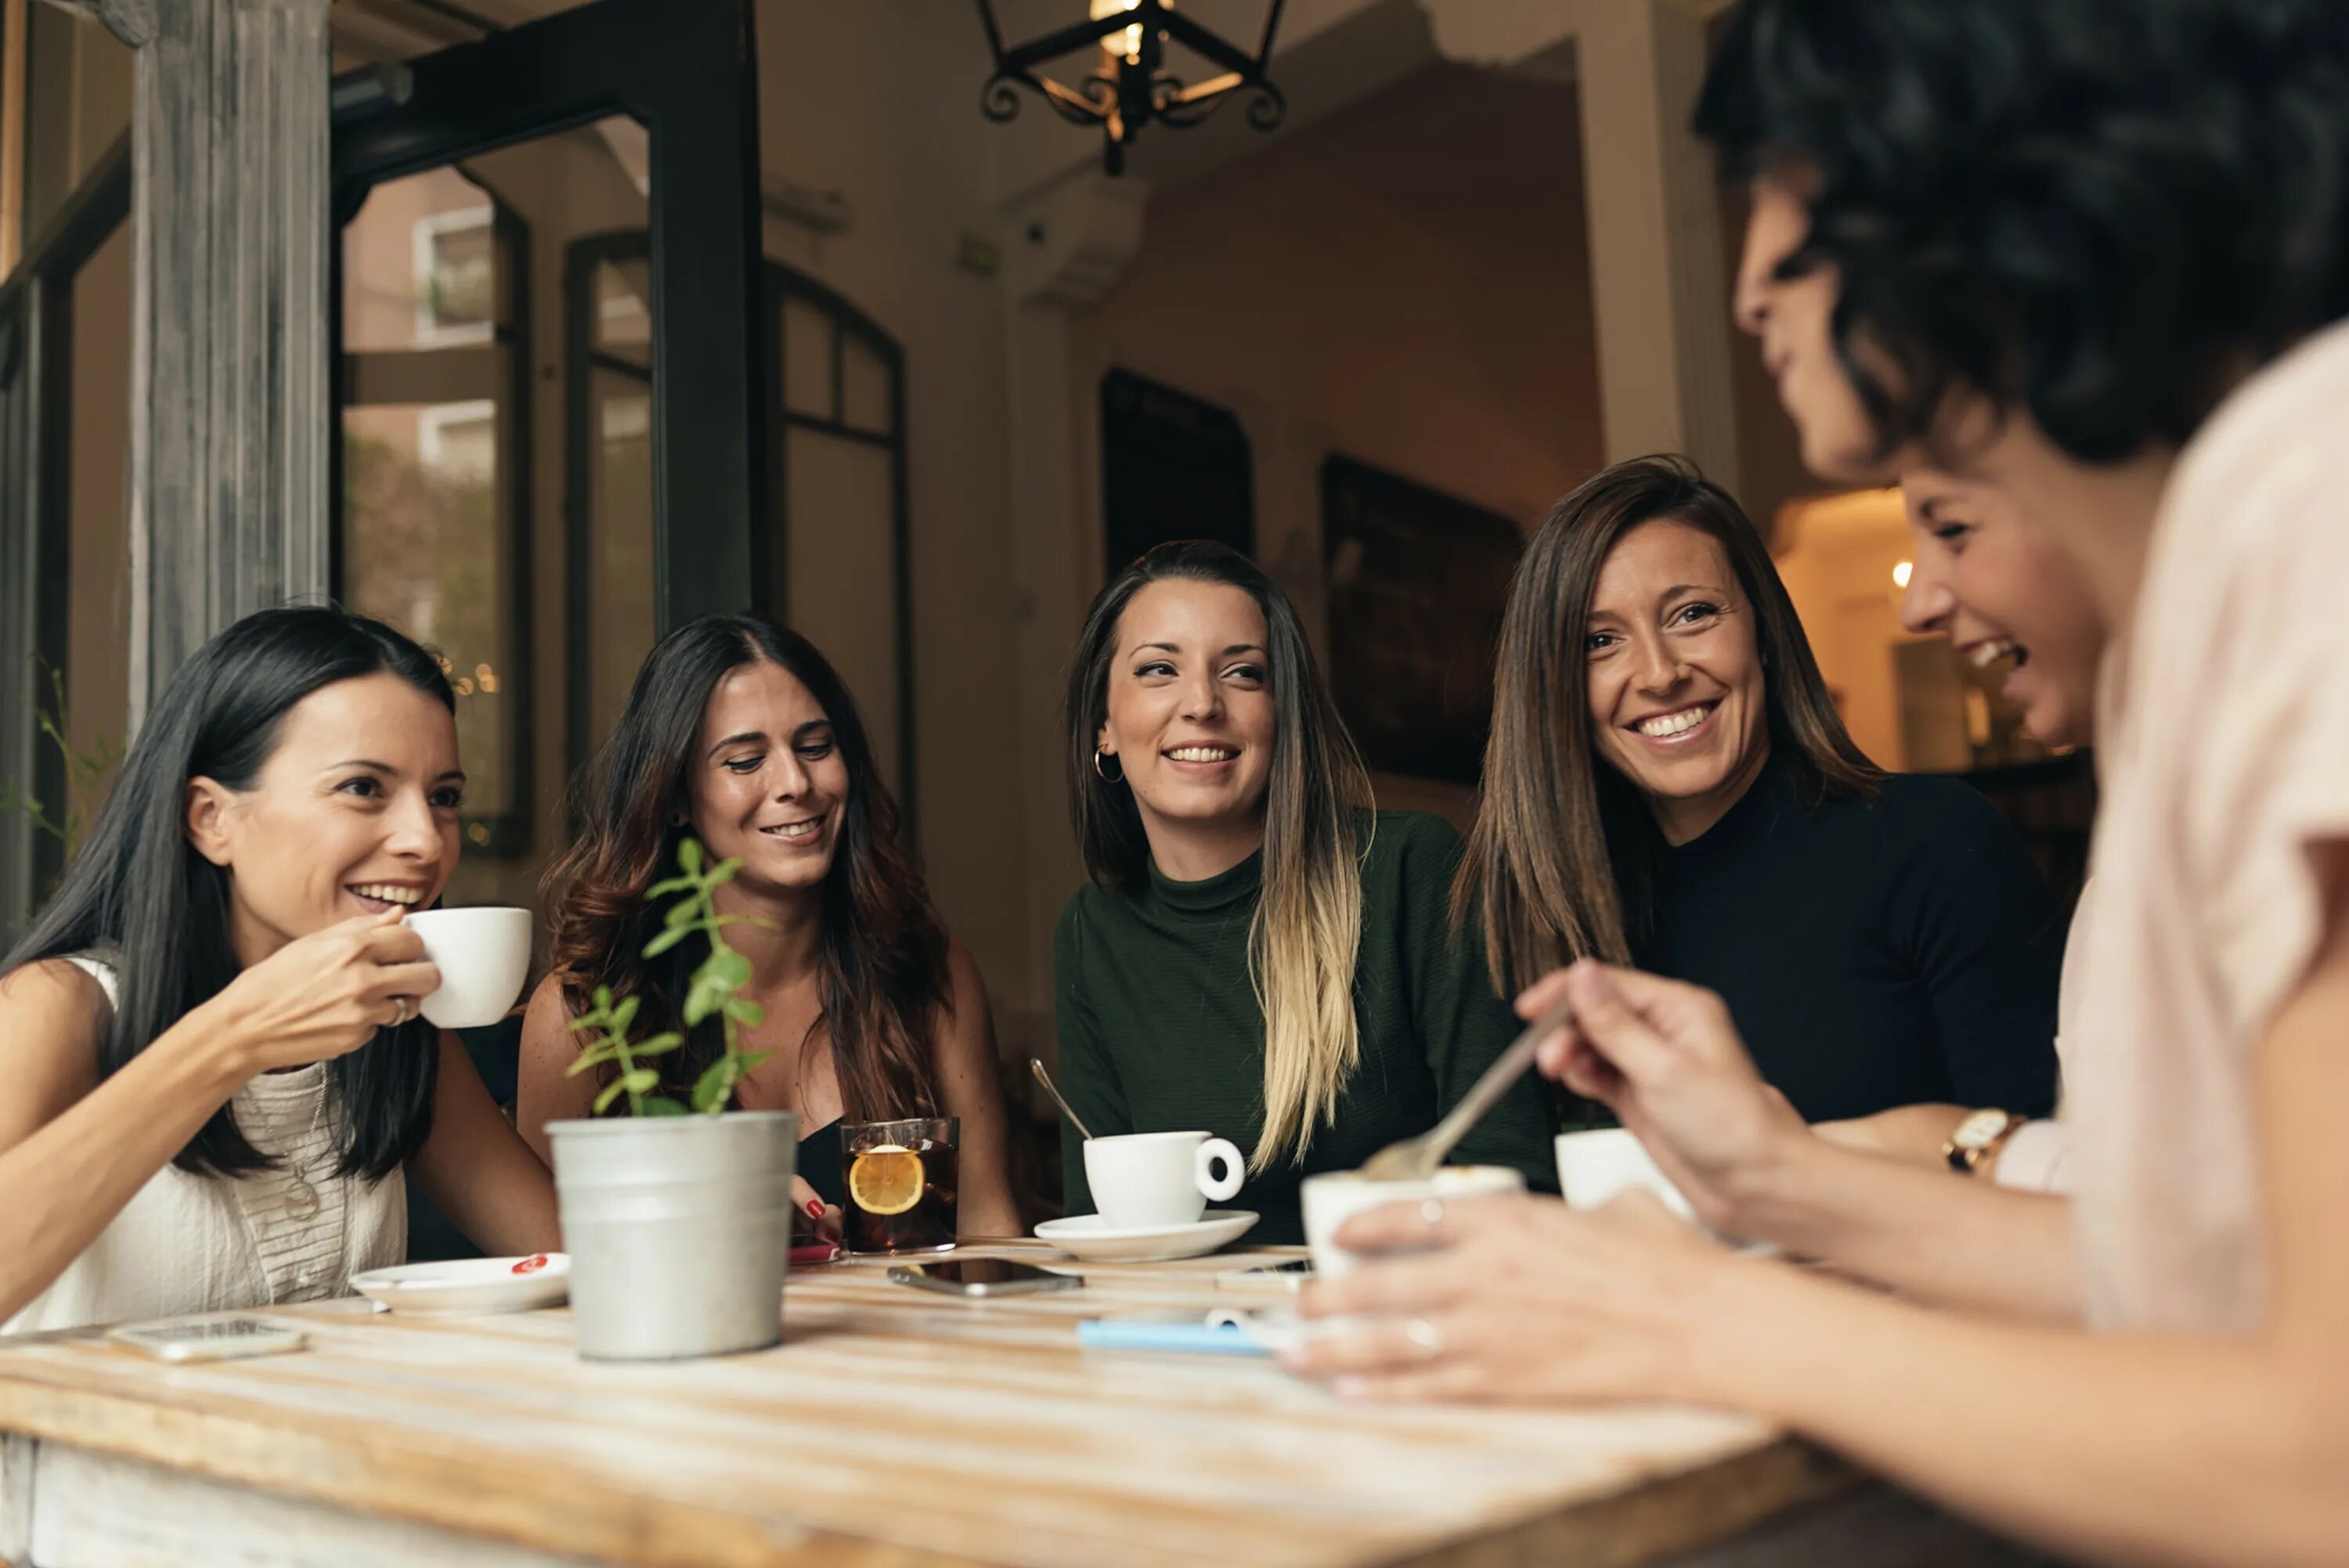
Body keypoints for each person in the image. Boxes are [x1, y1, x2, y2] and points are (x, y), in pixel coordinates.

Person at [1286, 3, 2349, 1562]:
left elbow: (2320, 1464)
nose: (1745, 286)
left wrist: (1690, 1309)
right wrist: (1778, 1170)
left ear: (1958, 191)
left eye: (1780, 198)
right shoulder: (2212, 597)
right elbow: (2193, 1276)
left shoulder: (2301, 501)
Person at [0, 607, 558, 1332]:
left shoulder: (395, 1027)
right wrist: (237, 1035)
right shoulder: (59, 1005)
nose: (426, 839)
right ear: (210, 819)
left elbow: (562, 1256)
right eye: (363, 786)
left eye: (444, 797)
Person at [1460, 454, 2062, 1125]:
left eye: (1692, 614)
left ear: (1763, 634)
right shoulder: (1537, 915)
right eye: (1600, 640)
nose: (1659, 674)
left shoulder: (1936, 843)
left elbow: (2043, 1166)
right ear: (1553, 687)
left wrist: (1792, 1163)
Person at [1052, 541, 1556, 1245]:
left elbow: (1514, 1169)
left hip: (1403, 1320)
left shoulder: (1411, 869)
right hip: (1180, 1338)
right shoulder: (1092, 931)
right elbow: (1101, 1225)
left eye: (1243, 673)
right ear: (1102, 724)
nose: (1202, 703)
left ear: (1282, 715)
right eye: (1159, 669)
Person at [518, 616, 1020, 1239]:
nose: (795, 783)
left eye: (815, 747)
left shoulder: (928, 970)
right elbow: (542, 1264)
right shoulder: (582, 1013)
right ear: (673, 797)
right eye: (746, 760)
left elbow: (989, 1226)